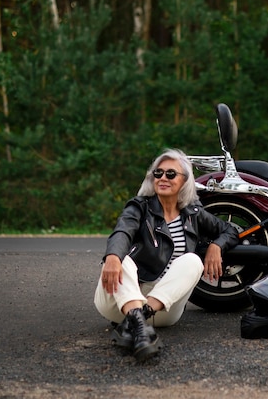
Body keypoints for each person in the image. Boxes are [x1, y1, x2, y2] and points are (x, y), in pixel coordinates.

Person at [94, 148, 239, 361]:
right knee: (122, 258)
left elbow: (230, 230)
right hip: (120, 300)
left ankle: (136, 323)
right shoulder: (139, 207)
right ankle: (140, 326)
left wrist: (216, 246)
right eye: (158, 173)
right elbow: (123, 231)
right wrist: (113, 257)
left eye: (171, 174)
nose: (163, 178)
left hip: (162, 309)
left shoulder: (193, 214)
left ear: (184, 182)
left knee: (192, 260)